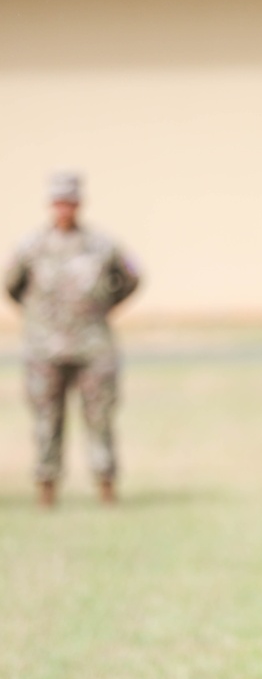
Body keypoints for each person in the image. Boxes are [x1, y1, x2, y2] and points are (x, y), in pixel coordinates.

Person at [5, 171, 140, 507]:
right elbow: (11, 285)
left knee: (100, 418)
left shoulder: (102, 245)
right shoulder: (31, 246)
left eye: (71, 201)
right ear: (51, 204)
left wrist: (102, 307)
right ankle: (46, 488)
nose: (65, 207)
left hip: (92, 346)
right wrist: (39, 318)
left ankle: (106, 486)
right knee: (46, 419)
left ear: (80, 203)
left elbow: (131, 278)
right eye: (59, 201)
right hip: (45, 349)